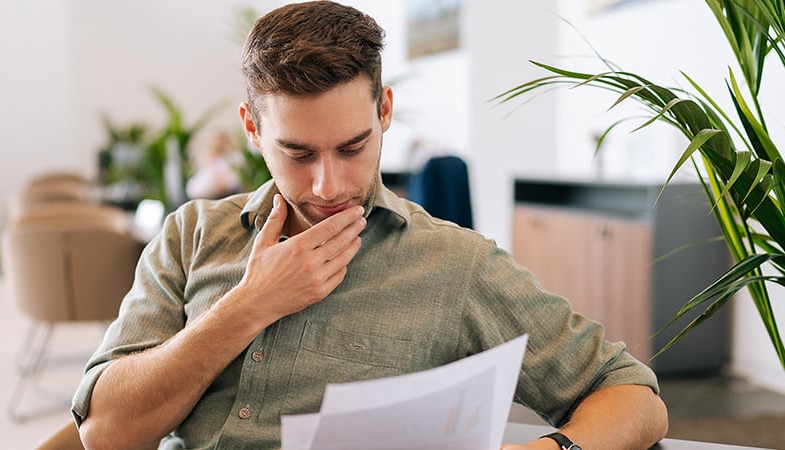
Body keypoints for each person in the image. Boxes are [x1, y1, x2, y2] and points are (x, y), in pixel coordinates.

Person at [74, 2, 668, 449]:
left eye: (352, 147)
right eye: (298, 154)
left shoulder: (454, 264)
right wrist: (249, 306)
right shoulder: (191, 235)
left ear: (384, 111)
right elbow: (105, 433)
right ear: (252, 131)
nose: (328, 185)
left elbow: (633, 396)